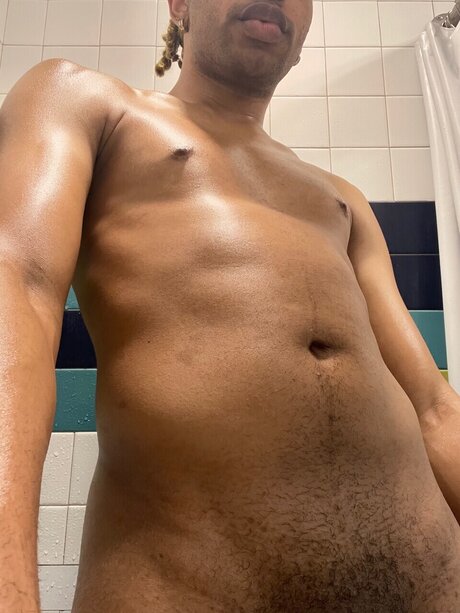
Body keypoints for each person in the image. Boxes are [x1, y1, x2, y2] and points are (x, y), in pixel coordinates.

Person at [1, 0, 460, 611]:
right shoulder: (87, 103)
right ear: (179, 5)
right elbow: (18, 289)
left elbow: (434, 408)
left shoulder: (342, 198)